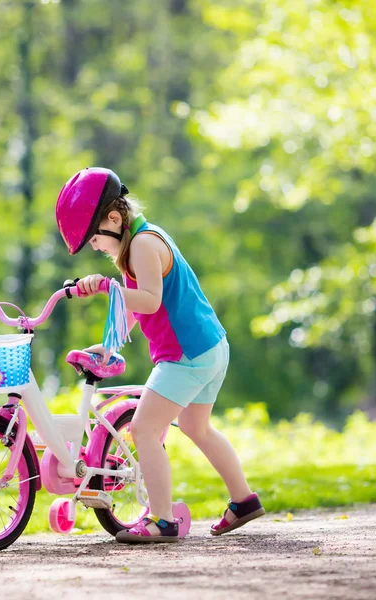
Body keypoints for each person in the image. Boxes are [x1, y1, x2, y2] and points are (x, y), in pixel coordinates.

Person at [55, 167, 265, 543]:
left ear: (115, 220)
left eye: (94, 238)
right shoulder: (139, 241)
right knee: (196, 427)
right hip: (210, 347)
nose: (94, 247)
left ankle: (162, 520)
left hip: (186, 355)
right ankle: (243, 500)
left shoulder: (143, 245)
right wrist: (113, 341)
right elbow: (139, 307)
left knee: (144, 429)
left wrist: (106, 287)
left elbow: (150, 302)